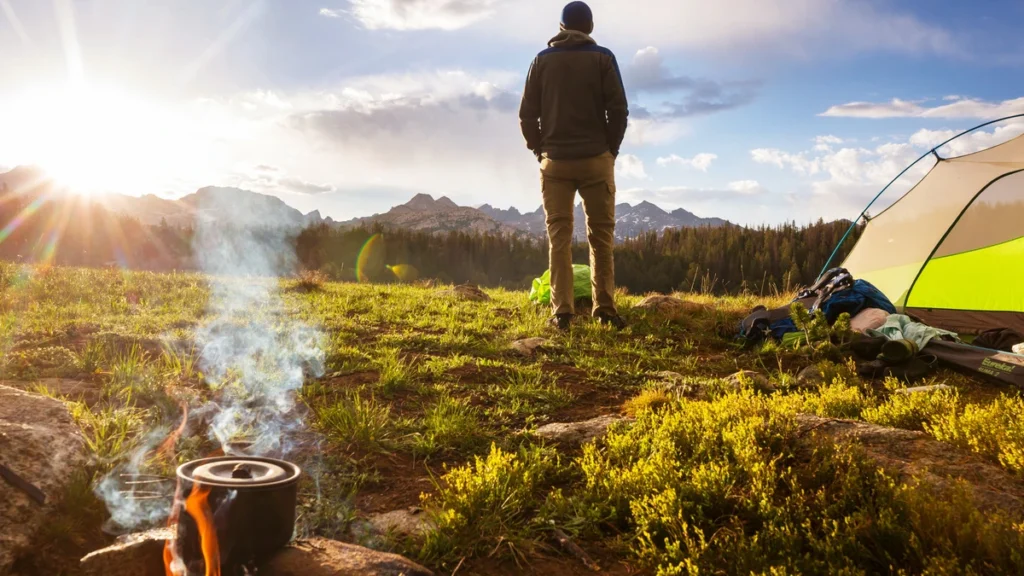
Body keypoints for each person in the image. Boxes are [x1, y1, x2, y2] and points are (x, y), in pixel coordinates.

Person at [519, 0, 629, 332]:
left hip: (555, 164)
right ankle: (605, 309)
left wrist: (540, 150)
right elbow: (619, 111)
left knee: (560, 237)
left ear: (561, 27)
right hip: (597, 160)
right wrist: (610, 149)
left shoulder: (541, 60)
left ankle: (562, 313)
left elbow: (527, 115)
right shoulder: (604, 58)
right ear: (590, 27)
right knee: (601, 237)